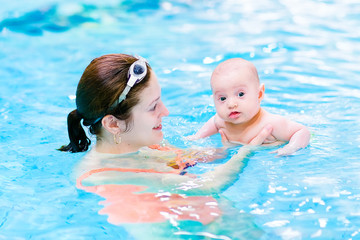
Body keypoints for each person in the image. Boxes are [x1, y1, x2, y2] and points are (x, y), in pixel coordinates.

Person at [59, 54, 273, 239]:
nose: (166, 111)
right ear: (113, 124)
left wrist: (237, 142)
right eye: (153, 107)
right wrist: (247, 151)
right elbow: (204, 187)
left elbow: (191, 159)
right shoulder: (99, 175)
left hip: (215, 223)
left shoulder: (146, 143)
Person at [188, 58, 310, 156]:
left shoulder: (271, 124)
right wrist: (198, 136)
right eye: (222, 98)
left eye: (240, 94)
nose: (231, 104)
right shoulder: (222, 121)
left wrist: (291, 147)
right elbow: (213, 122)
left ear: (259, 94)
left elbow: (302, 131)